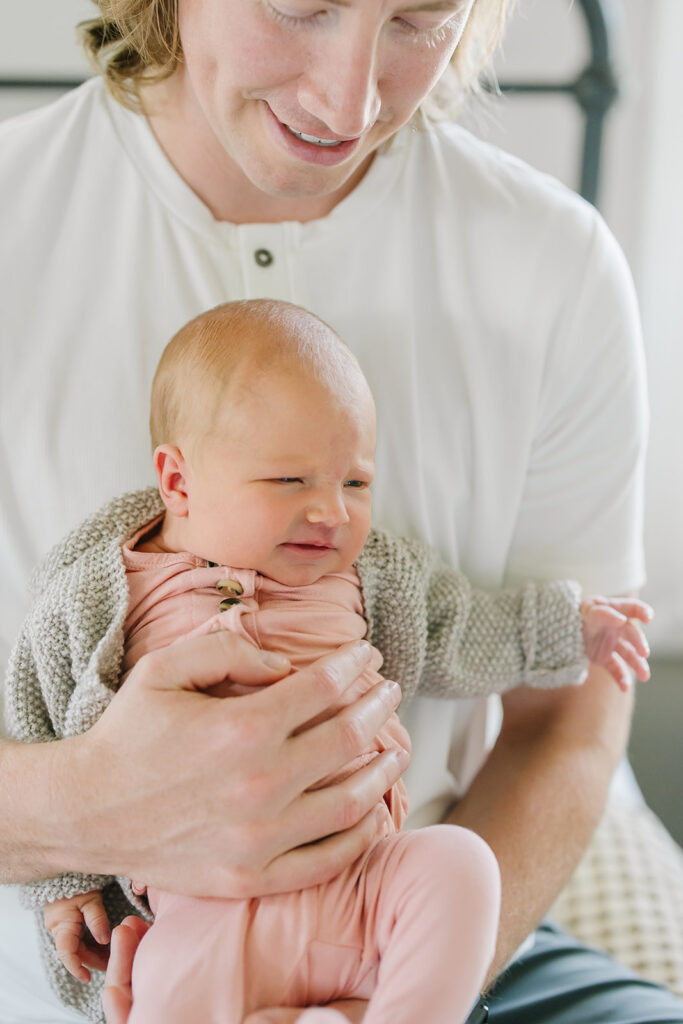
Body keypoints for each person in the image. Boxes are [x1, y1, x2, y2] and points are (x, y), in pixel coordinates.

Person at [0, 0, 681, 1021]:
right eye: (301, 5)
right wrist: (80, 811)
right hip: (120, 963)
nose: (348, 100)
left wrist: (407, 977)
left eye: (419, 17)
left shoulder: (554, 263)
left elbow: (566, 713)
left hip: (432, 939)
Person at [6, 299, 651, 1023]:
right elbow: (41, 720)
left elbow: (462, 626)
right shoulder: (100, 594)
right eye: (290, 482)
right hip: (201, 912)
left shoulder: (375, 577)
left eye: (355, 483)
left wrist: (569, 626)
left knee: (460, 864)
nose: (331, 512)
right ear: (178, 480)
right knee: (150, 985)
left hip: (364, 888)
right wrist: (61, 889)